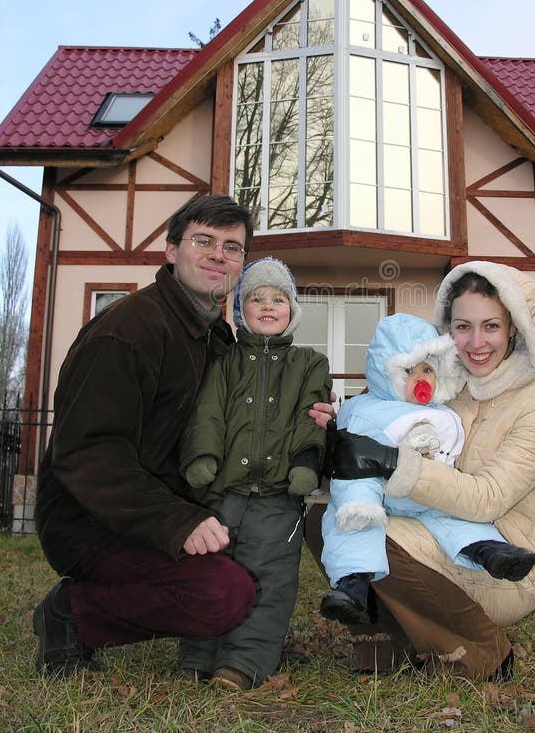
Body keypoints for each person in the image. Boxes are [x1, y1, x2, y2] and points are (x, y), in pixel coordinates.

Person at [32, 194, 334, 678]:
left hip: (175, 507)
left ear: (240, 266)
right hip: (90, 519)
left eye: (232, 247)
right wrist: (176, 521)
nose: (218, 254)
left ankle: (248, 641)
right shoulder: (128, 331)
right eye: (204, 240)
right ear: (171, 250)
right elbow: (88, 454)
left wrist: (309, 421)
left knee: (250, 568)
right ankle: (70, 613)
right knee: (221, 594)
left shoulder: (218, 339)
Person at [308, 261, 535, 681]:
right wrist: (338, 434)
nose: (476, 342)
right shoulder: (442, 387)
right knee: (328, 517)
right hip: (429, 530)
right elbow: (380, 417)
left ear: (515, 329)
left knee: (378, 533)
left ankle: (483, 652)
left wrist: (390, 461)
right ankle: (392, 643)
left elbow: (488, 498)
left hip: (501, 558)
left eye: (491, 327)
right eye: (463, 327)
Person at [319, 313, 535, 625]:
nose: (421, 379)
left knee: (455, 517)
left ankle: (491, 552)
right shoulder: (365, 409)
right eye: (409, 370)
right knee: (351, 523)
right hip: (375, 494)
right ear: (386, 371)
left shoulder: (440, 411)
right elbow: (346, 454)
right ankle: (352, 585)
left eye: (428, 369)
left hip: (427, 495)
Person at [177, 257, 332, 689]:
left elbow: (311, 413)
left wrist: (306, 462)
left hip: (278, 498)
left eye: (278, 298)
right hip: (223, 494)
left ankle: (244, 661)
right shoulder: (225, 362)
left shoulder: (308, 364)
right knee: (211, 572)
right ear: (240, 310)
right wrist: (202, 457)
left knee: (269, 577)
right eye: (256, 298)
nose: (267, 305)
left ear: (292, 309)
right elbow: (207, 413)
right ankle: (197, 654)